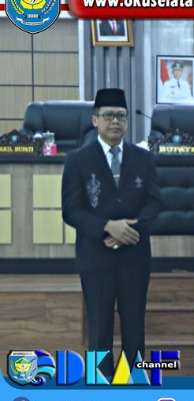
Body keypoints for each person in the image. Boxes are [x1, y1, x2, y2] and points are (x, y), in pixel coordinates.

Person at [61, 88, 161, 378]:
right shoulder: (77, 160)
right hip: (96, 257)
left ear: (127, 121)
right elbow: (71, 210)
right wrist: (107, 226)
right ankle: (99, 389)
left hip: (134, 256)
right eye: (108, 116)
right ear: (95, 120)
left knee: (134, 328)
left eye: (121, 116)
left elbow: (154, 203)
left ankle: (134, 386)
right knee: (99, 329)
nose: (115, 121)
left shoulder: (144, 158)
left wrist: (128, 229)